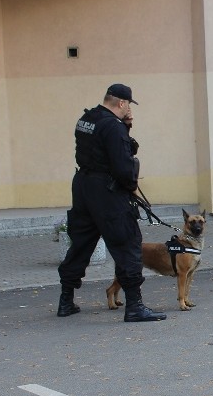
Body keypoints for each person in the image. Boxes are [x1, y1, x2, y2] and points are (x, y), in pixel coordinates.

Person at [57, 84, 166, 322]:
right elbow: (123, 167)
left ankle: (65, 301)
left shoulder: (87, 118)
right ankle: (135, 306)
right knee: (127, 242)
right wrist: (130, 188)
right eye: (128, 105)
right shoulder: (113, 127)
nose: (129, 110)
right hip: (107, 192)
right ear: (121, 103)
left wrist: (125, 128)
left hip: (84, 186)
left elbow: (97, 150)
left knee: (81, 243)